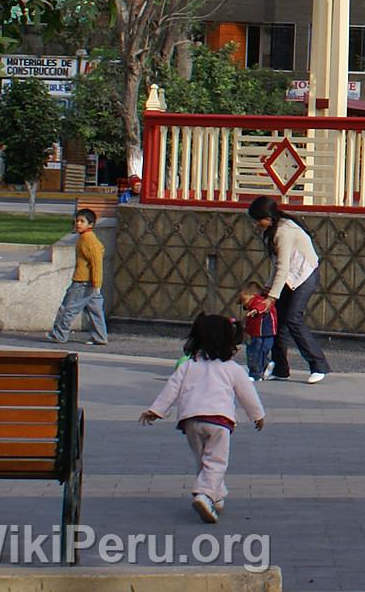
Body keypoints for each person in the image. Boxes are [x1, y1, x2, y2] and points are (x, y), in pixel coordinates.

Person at [140, 312, 266, 524]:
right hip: (219, 422)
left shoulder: (188, 365)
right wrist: (258, 415)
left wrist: (156, 410)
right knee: (216, 461)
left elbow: (171, 388)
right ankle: (204, 495)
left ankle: (216, 495)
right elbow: (248, 394)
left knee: (203, 461)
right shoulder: (232, 368)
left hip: (191, 421)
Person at [247, 196, 328, 382]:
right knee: (279, 321)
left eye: (258, 219)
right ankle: (280, 368)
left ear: (267, 217)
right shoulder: (271, 230)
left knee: (293, 318)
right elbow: (276, 265)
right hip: (290, 277)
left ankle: (319, 365)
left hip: (304, 276)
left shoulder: (284, 231)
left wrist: (272, 297)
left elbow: (283, 267)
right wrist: (268, 289)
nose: (256, 223)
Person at [45, 207, 108, 346]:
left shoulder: (88, 240)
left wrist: (97, 284)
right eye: (77, 221)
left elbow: (97, 262)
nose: (78, 224)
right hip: (89, 283)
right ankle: (100, 336)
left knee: (68, 308)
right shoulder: (85, 238)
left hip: (83, 282)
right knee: (95, 311)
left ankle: (59, 335)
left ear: (90, 225)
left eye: (82, 221)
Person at [237, 283, 279, 382]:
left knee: (255, 352)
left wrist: (255, 310)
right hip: (262, 332)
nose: (245, 304)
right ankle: (265, 365)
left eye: (245, 300)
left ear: (252, 295)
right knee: (260, 351)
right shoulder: (257, 303)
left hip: (261, 332)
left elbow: (260, 306)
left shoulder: (259, 301)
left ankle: (256, 374)